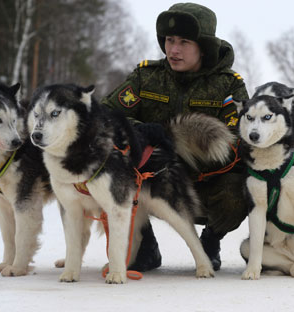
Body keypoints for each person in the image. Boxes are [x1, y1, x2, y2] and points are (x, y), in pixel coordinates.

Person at [102, 3, 248, 271]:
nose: (174, 50)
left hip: (204, 182)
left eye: (184, 42)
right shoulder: (146, 77)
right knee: (108, 168)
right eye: (169, 40)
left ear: (203, 46)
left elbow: (238, 138)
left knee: (240, 189)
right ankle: (144, 247)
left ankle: (210, 242)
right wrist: (142, 131)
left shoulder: (229, 84)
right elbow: (105, 115)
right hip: (149, 181)